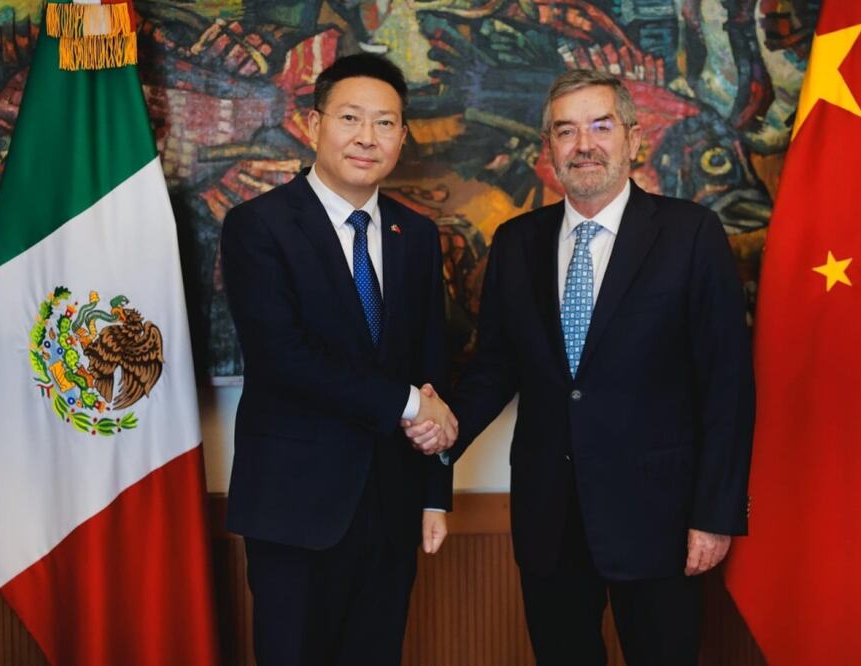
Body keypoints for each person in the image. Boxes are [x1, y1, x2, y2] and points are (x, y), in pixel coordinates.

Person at [407, 69, 755, 665]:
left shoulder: (688, 233)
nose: (583, 144)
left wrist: (715, 514)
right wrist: (443, 428)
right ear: (549, 150)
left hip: (661, 519)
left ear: (633, 139)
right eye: (565, 131)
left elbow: (727, 384)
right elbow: (495, 367)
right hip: (551, 519)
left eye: (600, 126)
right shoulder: (517, 242)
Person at [221, 53, 458, 665]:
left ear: (403, 138)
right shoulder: (259, 226)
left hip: (393, 508)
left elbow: (434, 366)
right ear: (312, 124)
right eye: (350, 118)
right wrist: (410, 403)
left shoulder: (418, 235)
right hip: (294, 508)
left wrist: (436, 492)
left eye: (385, 124)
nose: (366, 137)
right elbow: (284, 358)